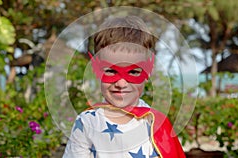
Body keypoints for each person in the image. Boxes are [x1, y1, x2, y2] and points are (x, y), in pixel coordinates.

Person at [63, 16, 185, 158]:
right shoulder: (87, 122)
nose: (121, 84)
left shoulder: (156, 123)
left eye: (133, 72)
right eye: (110, 71)